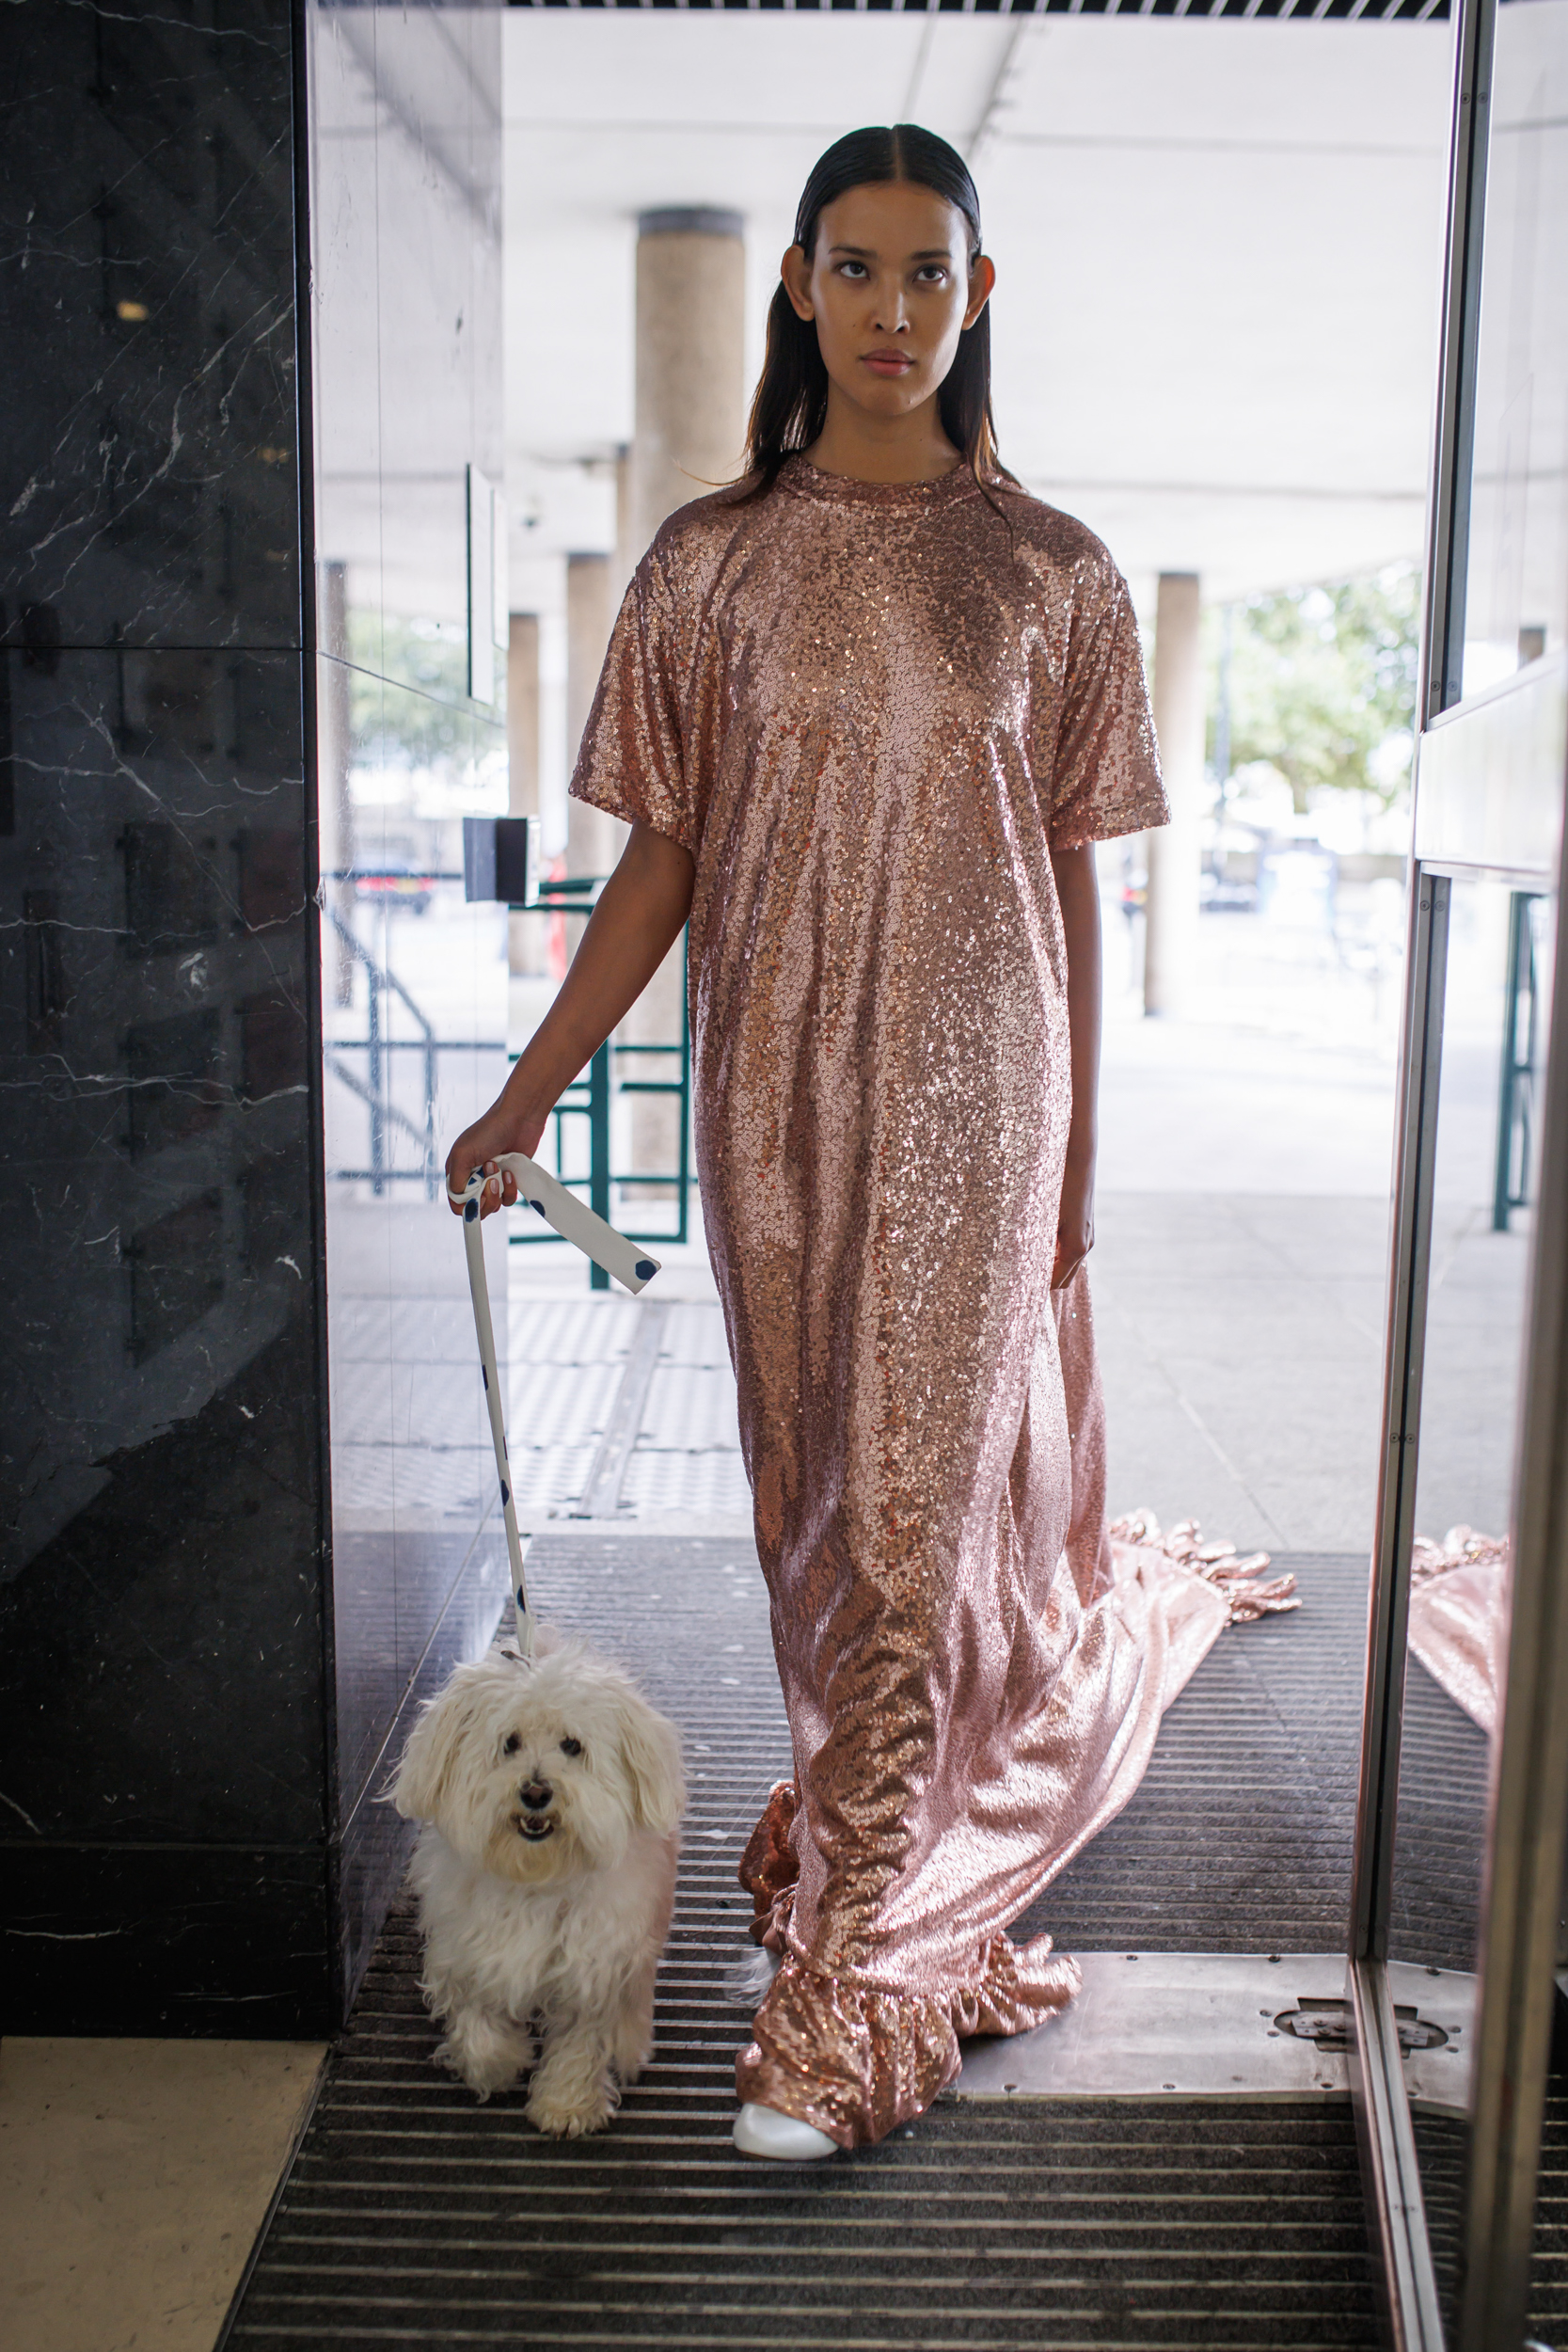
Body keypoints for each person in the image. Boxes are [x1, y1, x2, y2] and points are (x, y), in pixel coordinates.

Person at [448, 123, 1287, 2161]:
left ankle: (857, 1986)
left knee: (906, 1521)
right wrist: (535, 1083)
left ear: (976, 295)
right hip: (772, 1096)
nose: (895, 308)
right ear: (801, 289)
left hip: (983, 1097)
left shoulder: (1056, 570)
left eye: (932, 272)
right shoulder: (708, 560)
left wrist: (1072, 1134)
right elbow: (663, 858)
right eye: (859, 267)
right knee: (818, 1516)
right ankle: (863, 1812)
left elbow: (1075, 883)